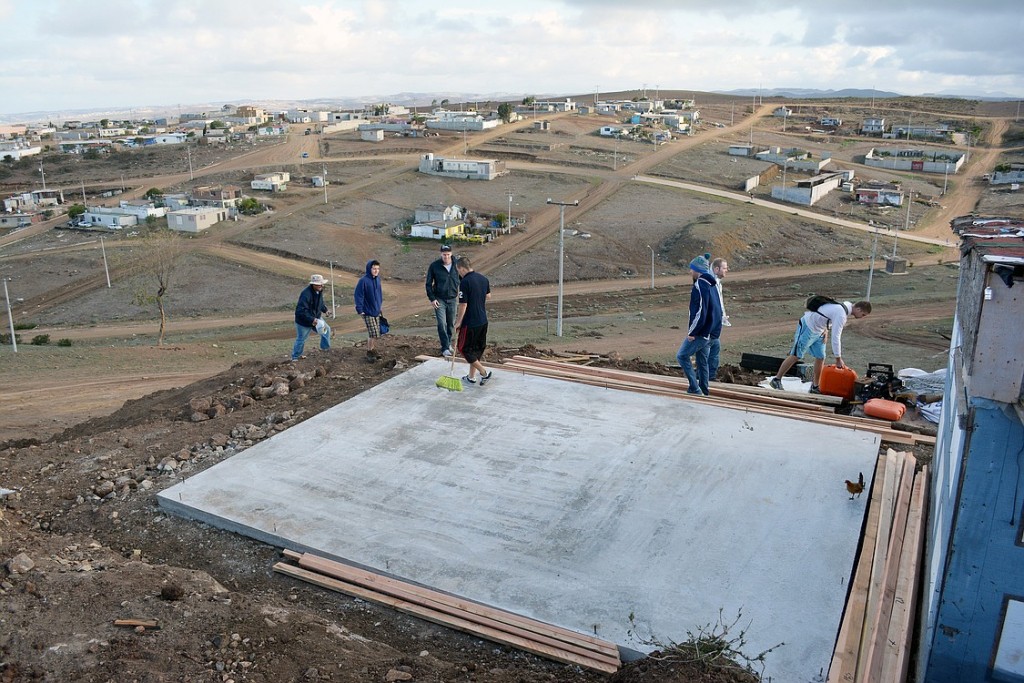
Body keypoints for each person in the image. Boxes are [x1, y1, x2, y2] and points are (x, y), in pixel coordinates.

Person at [769, 299, 872, 393]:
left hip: (820, 330)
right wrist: (838, 358)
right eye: (863, 314)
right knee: (796, 355)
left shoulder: (845, 306)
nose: (861, 317)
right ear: (858, 309)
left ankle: (815, 386)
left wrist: (826, 329)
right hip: (808, 327)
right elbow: (836, 337)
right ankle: (776, 379)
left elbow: (826, 314)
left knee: (821, 357)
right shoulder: (842, 313)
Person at [675, 254, 722, 396]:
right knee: (702, 363)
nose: (690, 272)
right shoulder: (712, 284)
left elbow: (701, 311)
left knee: (682, 356)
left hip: (701, 332)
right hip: (710, 331)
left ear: (698, 270)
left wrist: (692, 332)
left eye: (692, 269)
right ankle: (705, 392)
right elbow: (717, 310)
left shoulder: (701, 284)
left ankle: (695, 389)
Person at [453, 256, 492, 385]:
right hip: (483, 321)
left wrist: (458, 322)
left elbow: (463, 304)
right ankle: (471, 377)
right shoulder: (483, 279)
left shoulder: (465, 282)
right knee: (476, 350)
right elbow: (488, 296)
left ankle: (484, 373)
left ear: (461, 268)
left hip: (470, 323)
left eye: (458, 271)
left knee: (464, 349)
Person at [424, 244, 460, 357]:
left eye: (448, 254)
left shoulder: (457, 265)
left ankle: (448, 344)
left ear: (451, 253)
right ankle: (444, 347)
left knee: (450, 324)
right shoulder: (434, 266)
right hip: (439, 299)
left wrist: (462, 292)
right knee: (441, 323)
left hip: (453, 299)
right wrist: (432, 298)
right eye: (444, 254)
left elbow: (464, 278)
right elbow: (428, 284)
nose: (446, 257)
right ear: (441, 254)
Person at [291, 274, 330, 361]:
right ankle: (295, 357)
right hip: (304, 321)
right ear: (313, 284)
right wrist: (312, 319)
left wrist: (325, 310)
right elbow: (301, 311)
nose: (321, 285)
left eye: (322, 284)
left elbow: (320, 303)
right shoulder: (305, 295)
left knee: (326, 331)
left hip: (316, 318)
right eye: (319, 284)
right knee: (301, 339)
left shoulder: (319, 291)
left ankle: (325, 350)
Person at [354, 259, 384, 360]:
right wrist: (360, 309)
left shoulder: (378, 279)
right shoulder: (363, 281)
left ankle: (372, 350)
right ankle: (369, 352)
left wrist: (380, 306)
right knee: (373, 333)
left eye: (378, 269)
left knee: (376, 333)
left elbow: (379, 294)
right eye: (374, 268)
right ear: (369, 269)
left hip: (376, 310)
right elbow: (358, 295)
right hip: (367, 311)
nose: (376, 271)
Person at [708, 256, 730, 384]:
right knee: (709, 348)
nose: (726, 270)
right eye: (724, 268)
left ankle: (708, 375)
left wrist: (722, 316)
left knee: (713, 348)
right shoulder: (709, 283)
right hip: (710, 324)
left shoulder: (717, 283)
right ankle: (704, 376)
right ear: (716, 269)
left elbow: (719, 302)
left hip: (716, 322)